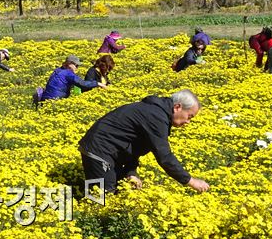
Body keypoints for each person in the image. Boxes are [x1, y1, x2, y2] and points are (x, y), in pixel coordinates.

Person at [79, 89, 210, 193]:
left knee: (120, 189)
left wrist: (131, 172)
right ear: (177, 107)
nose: (188, 122)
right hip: (99, 149)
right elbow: (164, 156)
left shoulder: (156, 113)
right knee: (102, 196)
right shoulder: (156, 116)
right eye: (189, 116)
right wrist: (190, 181)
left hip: (108, 151)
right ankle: (89, 221)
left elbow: (134, 147)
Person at [40, 55, 106, 101]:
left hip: (46, 98)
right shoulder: (68, 73)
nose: (77, 68)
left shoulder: (58, 70)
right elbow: (83, 84)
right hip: (56, 99)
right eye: (76, 65)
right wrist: (97, 83)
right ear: (69, 64)